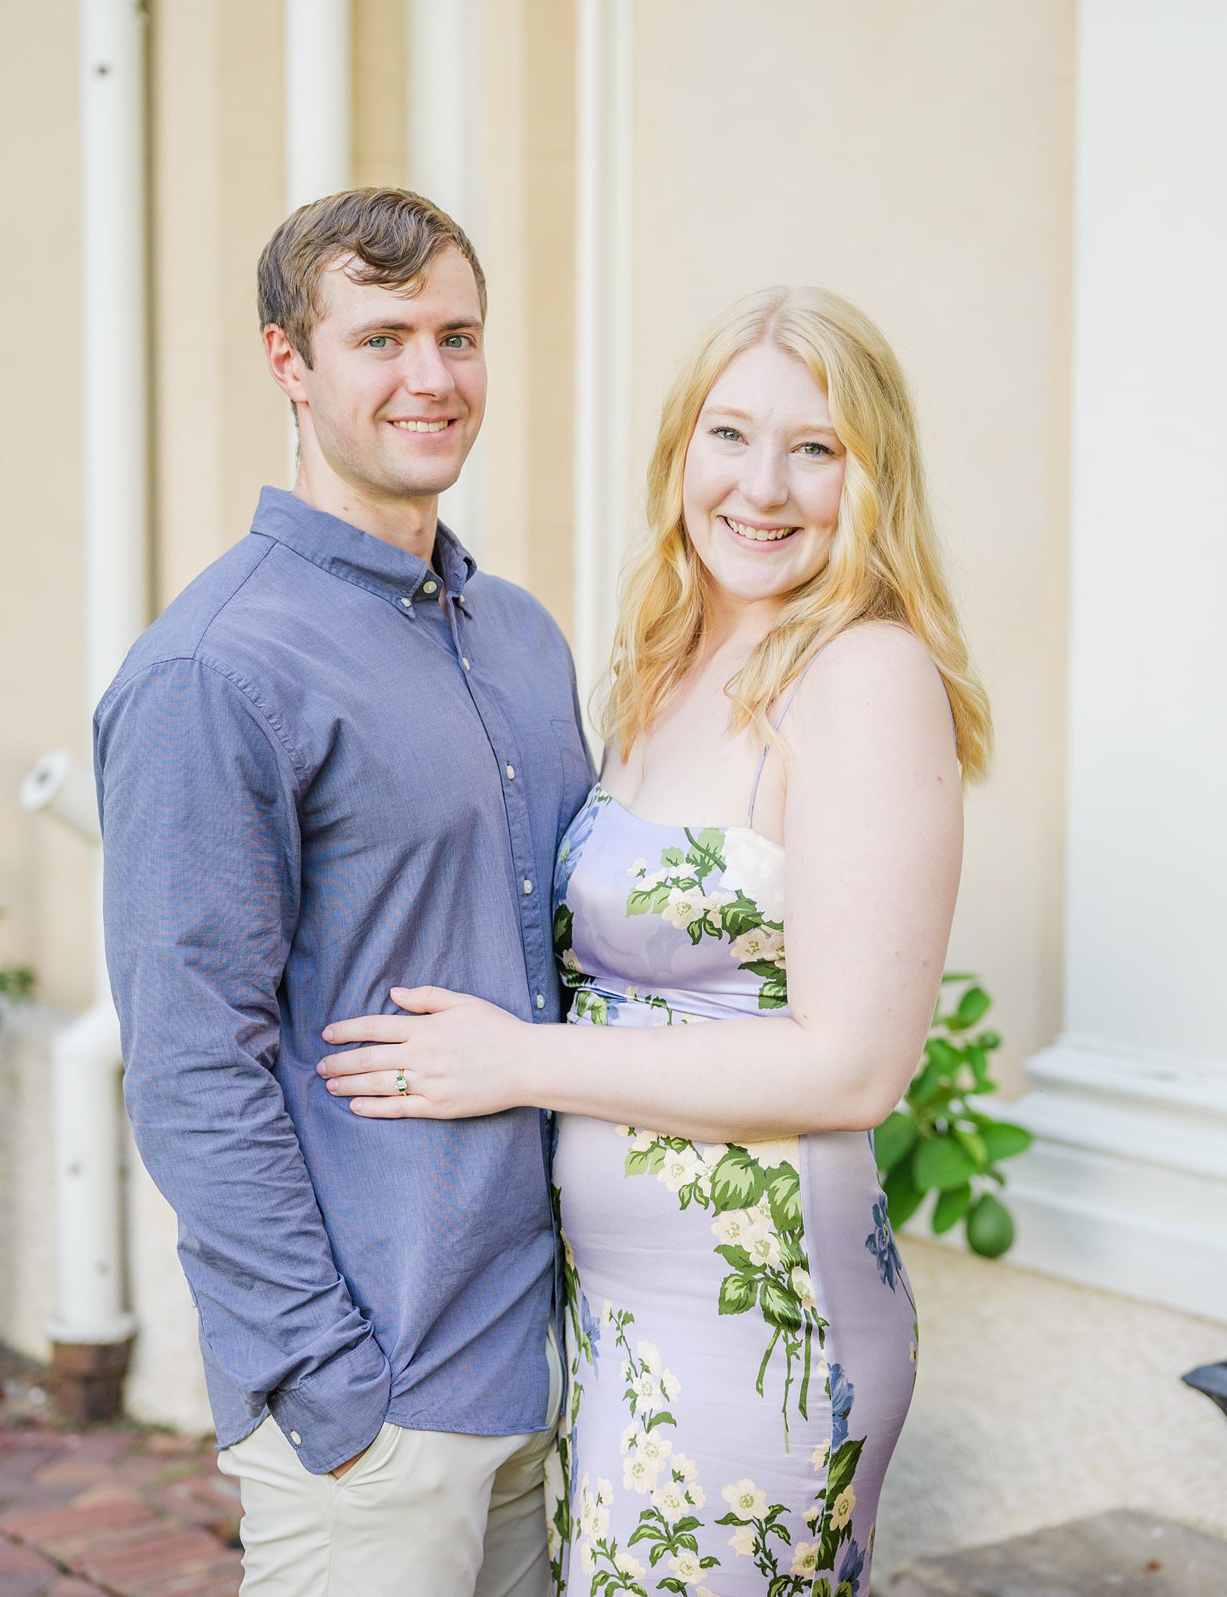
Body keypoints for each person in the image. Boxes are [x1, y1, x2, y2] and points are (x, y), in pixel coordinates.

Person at [317, 285, 992, 1596]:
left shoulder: (863, 677)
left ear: (873, 477)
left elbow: (851, 1069)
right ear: (681, 448)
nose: (765, 485)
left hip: (759, 1329)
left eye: (816, 447)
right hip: (618, 1320)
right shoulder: (667, 661)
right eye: (730, 435)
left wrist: (522, 1062)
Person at [94, 188, 589, 1597]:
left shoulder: (523, 638)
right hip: (377, 1403)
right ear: (288, 362)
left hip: (541, 1365)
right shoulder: (217, 673)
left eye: (459, 335)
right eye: (382, 338)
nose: (431, 377)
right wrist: (331, 1390)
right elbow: (193, 1070)